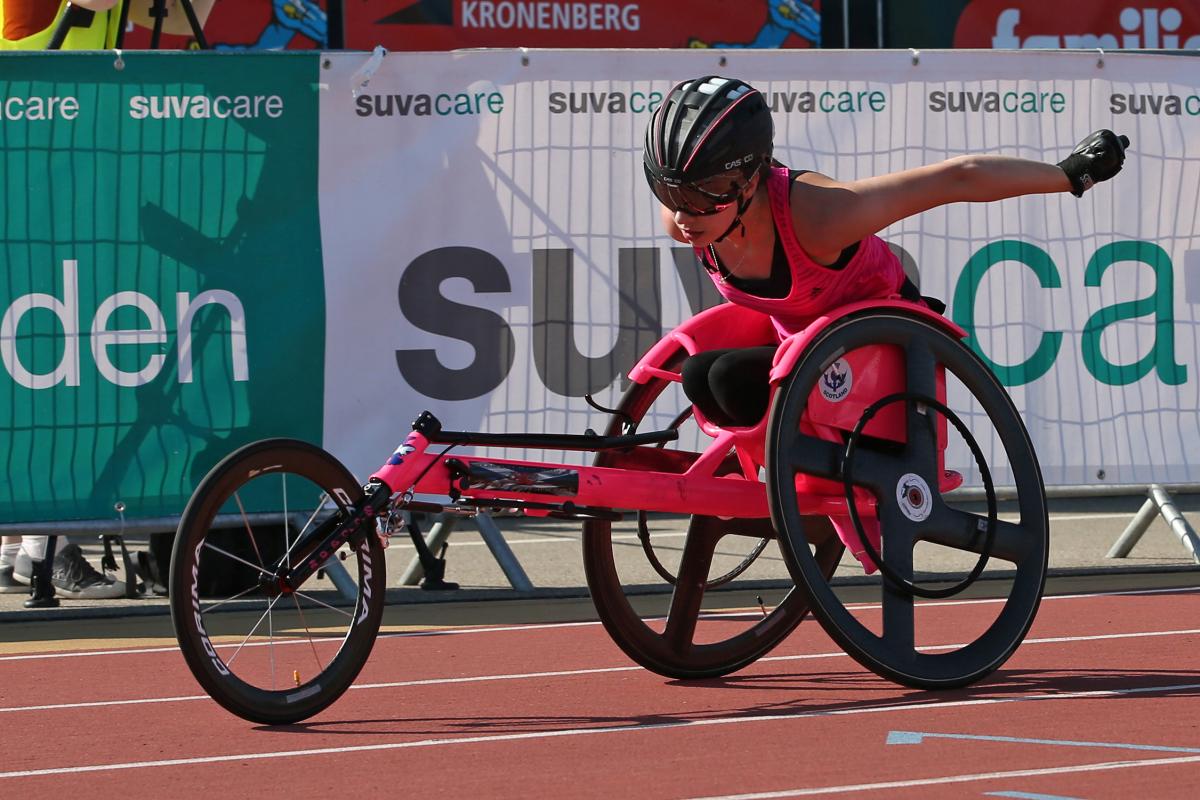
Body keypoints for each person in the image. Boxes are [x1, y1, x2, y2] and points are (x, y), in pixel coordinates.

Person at [643, 75, 1129, 429]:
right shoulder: (683, 217)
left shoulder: (821, 215)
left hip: (879, 353)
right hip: (801, 355)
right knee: (701, 373)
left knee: (726, 375)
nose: (685, 213)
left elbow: (957, 178)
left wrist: (1069, 174)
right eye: (671, 193)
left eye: (704, 195)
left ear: (750, 178)